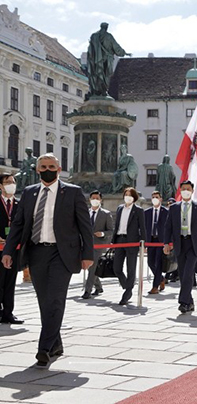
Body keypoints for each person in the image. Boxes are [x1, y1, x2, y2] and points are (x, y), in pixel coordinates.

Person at [1, 153, 94, 368]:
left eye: (51, 166)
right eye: (43, 166)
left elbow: (84, 226)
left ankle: (43, 348)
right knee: (44, 301)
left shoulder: (73, 192)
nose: (47, 169)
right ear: (37, 169)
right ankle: (56, 343)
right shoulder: (30, 193)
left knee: (55, 299)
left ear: (59, 169)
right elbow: (18, 224)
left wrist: (87, 254)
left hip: (62, 254)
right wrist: (8, 251)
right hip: (36, 253)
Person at [163, 181, 197, 314]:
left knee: (189, 272)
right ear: (180, 191)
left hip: (194, 243)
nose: (186, 191)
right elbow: (168, 227)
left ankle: (183, 302)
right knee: (183, 273)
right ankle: (189, 302)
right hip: (180, 243)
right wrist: (166, 243)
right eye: (183, 189)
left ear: (192, 190)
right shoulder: (174, 208)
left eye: (188, 189)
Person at [112, 187, 146, 305]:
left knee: (131, 268)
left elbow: (143, 228)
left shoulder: (138, 210)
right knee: (117, 268)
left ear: (134, 197)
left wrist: (143, 243)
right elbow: (116, 225)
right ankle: (127, 285)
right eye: (126, 194)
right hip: (120, 239)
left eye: (130, 195)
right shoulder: (120, 208)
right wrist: (113, 241)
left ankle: (127, 292)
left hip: (132, 241)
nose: (128, 196)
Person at [0, 173, 23, 324]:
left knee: (10, 281)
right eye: (7, 182)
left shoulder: (19, 204)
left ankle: (8, 312)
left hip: (13, 249)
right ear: (1, 186)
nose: (11, 184)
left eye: (13, 182)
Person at [82, 190, 113, 299]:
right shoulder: (85, 213)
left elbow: (110, 231)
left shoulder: (106, 214)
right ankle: (99, 287)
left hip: (98, 245)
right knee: (89, 267)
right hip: (86, 245)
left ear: (101, 200)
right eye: (93, 198)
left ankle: (87, 291)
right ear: (89, 200)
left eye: (97, 198)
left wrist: (103, 234)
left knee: (92, 267)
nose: (95, 200)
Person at [86, 22, 130, 97]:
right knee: (106, 74)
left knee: (97, 74)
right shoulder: (109, 36)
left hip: (96, 60)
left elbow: (90, 49)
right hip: (107, 59)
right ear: (106, 27)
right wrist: (124, 53)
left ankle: (96, 90)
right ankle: (103, 90)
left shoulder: (94, 36)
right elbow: (116, 47)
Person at [145, 191, 168, 294]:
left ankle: (155, 286)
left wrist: (169, 243)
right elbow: (144, 228)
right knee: (150, 262)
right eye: (153, 197)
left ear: (161, 199)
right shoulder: (147, 212)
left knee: (158, 263)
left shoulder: (166, 212)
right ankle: (161, 278)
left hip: (161, 241)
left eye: (157, 197)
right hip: (151, 241)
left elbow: (169, 228)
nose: (155, 198)